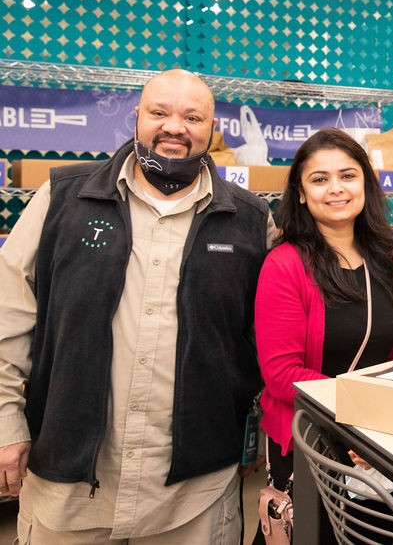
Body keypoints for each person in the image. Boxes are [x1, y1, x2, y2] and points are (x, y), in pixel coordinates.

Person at [0, 69, 275, 542]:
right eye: (160, 112)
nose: (175, 127)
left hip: (193, 493)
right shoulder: (63, 198)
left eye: (193, 117)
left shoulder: (250, 221)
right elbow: (9, 311)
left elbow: (277, 327)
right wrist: (5, 419)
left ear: (212, 129)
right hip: (70, 485)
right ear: (137, 118)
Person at [254, 127, 393, 543]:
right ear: (301, 193)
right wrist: (367, 408)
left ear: (365, 184)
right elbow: (282, 375)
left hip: (374, 445)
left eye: (347, 175)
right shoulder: (285, 265)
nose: (335, 189)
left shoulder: (385, 259)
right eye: (319, 180)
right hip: (311, 443)